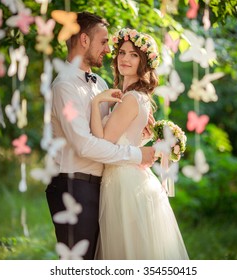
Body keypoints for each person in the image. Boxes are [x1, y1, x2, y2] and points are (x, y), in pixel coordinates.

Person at [45, 12, 156, 260]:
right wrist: (137, 155)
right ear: (84, 40)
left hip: (104, 187)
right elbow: (85, 145)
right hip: (73, 186)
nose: (109, 50)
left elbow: (110, 136)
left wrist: (139, 131)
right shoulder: (65, 86)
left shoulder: (101, 84)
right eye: (103, 42)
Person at [91, 28, 189, 259]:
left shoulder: (131, 99)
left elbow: (103, 142)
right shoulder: (139, 98)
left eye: (134, 55)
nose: (125, 58)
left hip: (124, 183)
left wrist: (96, 104)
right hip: (130, 178)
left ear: (143, 62)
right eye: (122, 53)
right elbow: (131, 137)